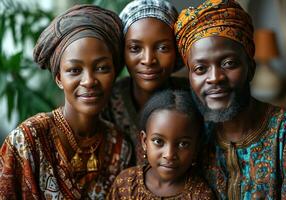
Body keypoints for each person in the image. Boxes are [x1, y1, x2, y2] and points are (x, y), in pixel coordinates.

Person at [0, 5, 131, 199]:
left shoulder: (119, 147)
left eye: (102, 68)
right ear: (59, 78)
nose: (89, 81)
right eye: (75, 70)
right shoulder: (27, 140)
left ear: (115, 73)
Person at [174, 0, 286, 199]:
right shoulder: (193, 138)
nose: (215, 77)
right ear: (189, 77)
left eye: (229, 63)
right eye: (200, 69)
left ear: (250, 68)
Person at [105, 0, 189, 165]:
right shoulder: (106, 100)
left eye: (163, 48)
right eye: (135, 48)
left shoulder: (192, 97)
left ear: (177, 51)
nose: (149, 60)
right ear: (122, 52)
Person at [107, 90, 215, 199]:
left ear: (196, 147)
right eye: (158, 141)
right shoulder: (126, 184)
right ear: (144, 141)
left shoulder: (201, 195)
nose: (169, 154)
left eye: (183, 144)